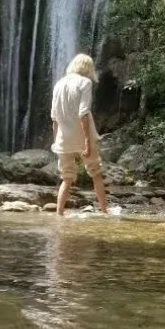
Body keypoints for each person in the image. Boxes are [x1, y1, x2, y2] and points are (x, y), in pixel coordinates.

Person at [51, 54, 108, 217]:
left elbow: (54, 118)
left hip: (63, 138)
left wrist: (56, 141)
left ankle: (59, 214)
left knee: (66, 178)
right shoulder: (85, 82)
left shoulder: (58, 84)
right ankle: (104, 212)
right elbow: (83, 114)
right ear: (88, 68)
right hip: (82, 136)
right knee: (96, 174)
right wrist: (87, 142)